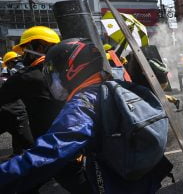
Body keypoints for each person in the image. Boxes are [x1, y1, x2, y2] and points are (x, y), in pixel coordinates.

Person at [0, 38, 163, 193]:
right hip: (142, 178)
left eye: (55, 71)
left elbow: (50, 152)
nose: (54, 78)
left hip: (115, 182)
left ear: (73, 69)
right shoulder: (115, 85)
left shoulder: (84, 102)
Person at [0, 26, 91, 193]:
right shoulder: (72, 73)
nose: (23, 56)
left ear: (40, 47)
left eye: (25, 50)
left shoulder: (27, 77)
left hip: (49, 148)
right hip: (73, 142)